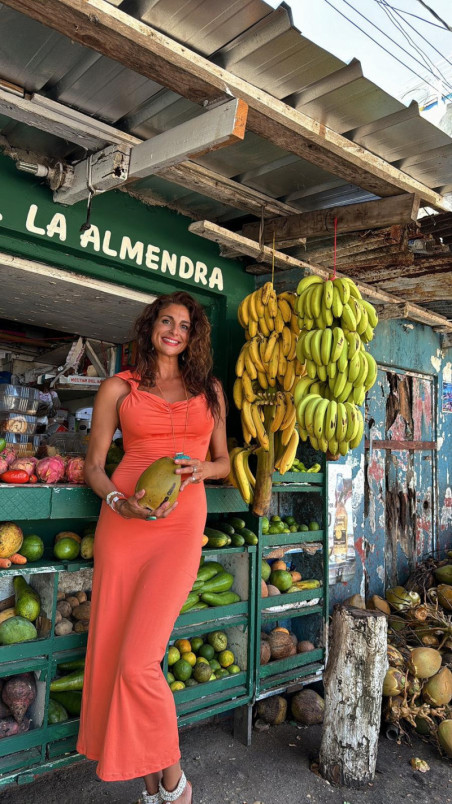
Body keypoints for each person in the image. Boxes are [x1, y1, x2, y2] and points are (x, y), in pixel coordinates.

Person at [77, 291, 230, 804]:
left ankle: (175, 782)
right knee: (118, 652)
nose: (174, 331)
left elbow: (225, 463)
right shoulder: (118, 388)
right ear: (151, 327)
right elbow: (94, 466)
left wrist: (201, 469)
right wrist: (118, 501)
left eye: (185, 325)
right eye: (167, 321)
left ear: (193, 336)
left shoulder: (209, 390)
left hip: (182, 524)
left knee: (137, 662)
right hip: (124, 525)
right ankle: (152, 788)